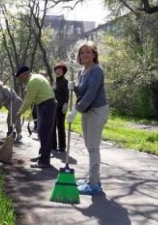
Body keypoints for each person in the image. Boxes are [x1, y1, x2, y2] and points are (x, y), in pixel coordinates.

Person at [67, 41, 109, 195]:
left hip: (97, 111)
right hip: (87, 111)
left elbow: (91, 94)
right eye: (81, 52)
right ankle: (94, 179)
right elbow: (82, 94)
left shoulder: (97, 70)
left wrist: (75, 110)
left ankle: (94, 184)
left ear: (94, 54)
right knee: (89, 145)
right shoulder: (81, 72)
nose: (84, 55)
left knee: (93, 147)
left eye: (88, 52)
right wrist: (74, 88)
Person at [15, 66, 57, 168]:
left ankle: (44, 162)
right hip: (46, 104)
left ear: (25, 74)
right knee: (43, 132)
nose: (20, 80)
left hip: (46, 106)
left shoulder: (33, 81)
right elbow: (33, 95)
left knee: (44, 134)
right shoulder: (36, 77)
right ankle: (42, 156)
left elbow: (28, 100)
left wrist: (19, 113)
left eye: (20, 77)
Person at [52, 62, 69, 152]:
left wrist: (66, 104)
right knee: (52, 126)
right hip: (54, 107)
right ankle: (53, 145)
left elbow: (66, 95)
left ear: (63, 72)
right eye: (57, 69)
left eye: (60, 69)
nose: (58, 71)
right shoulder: (54, 81)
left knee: (60, 126)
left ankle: (62, 146)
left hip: (61, 107)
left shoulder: (65, 82)